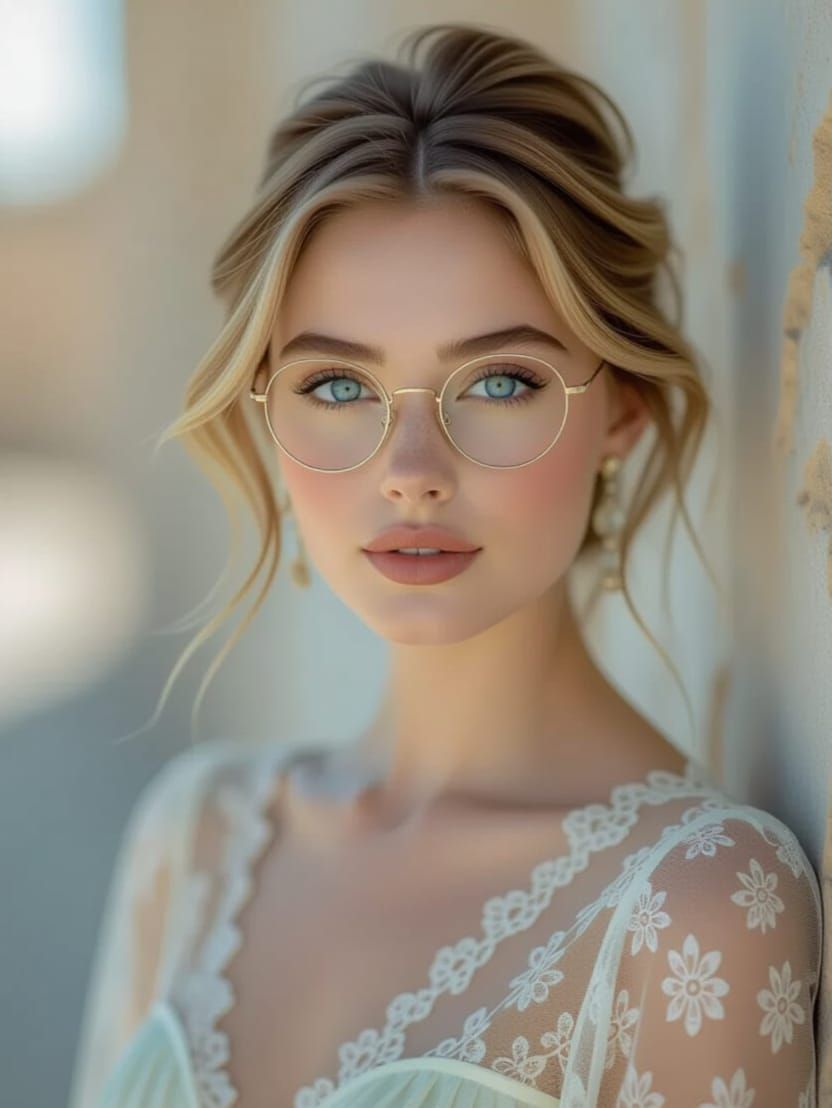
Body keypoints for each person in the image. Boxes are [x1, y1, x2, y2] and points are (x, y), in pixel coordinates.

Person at [68, 23, 823, 1108]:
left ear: (620, 406)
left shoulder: (693, 910)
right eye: (337, 387)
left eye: (499, 380)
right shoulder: (194, 840)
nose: (409, 470)